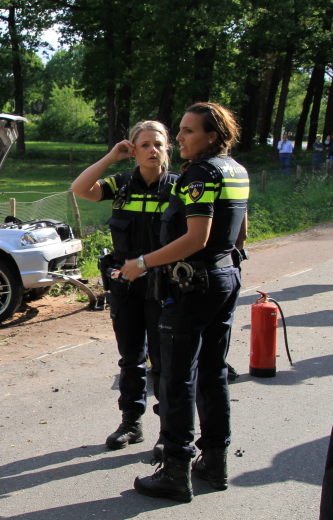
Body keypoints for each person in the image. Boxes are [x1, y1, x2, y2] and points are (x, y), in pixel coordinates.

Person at [120, 102, 249, 503]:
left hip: (194, 282)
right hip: (226, 276)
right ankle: (215, 461)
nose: (179, 138)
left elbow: (196, 238)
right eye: (179, 130)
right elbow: (241, 233)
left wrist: (140, 263)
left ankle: (176, 471)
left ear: (212, 136)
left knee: (176, 376)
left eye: (189, 131)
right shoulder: (236, 170)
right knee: (212, 371)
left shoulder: (201, 172)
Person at [71, 121, 179, 455]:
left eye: (158, 144)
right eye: (144, 144)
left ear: (167, 149)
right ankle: (131, 423)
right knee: (131, 358)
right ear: (133, 150)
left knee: (164, 361)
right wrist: (111, 157)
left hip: (164, 285)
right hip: (126, 284)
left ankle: (169, 430)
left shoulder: (179, 186)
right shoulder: (121, 185)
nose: (152, 150)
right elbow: (80, 187)